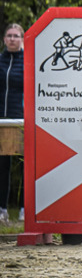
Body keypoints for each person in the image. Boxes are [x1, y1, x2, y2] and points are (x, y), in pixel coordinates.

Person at [1, 23, 25, 224]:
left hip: (22, 120)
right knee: (2, 166)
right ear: (4, 39)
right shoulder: (0, 60)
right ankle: (2, 210)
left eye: (16, 36)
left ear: (22, 39)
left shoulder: (28, 62)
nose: (12, 39)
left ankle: (25, 209)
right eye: (9, 35)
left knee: (26, 166)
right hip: (2, 120)